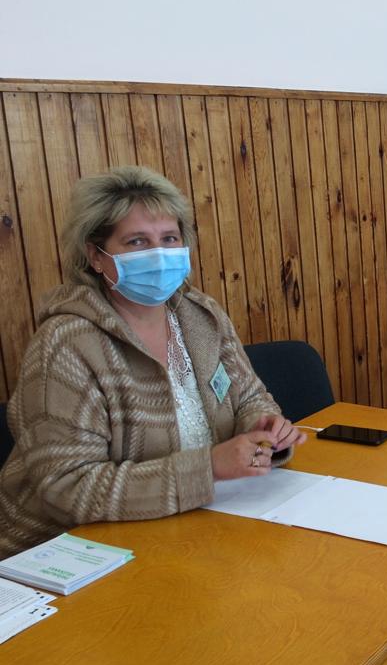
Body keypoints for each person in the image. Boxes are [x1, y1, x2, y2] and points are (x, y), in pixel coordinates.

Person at [0, 167, 306, 557]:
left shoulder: (201, 315)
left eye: (169, 239)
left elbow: (250, 397)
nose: (159, 255)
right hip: (72, 553)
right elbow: (66, 488)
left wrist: (263, 429)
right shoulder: (65, 345)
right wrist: (208, 468)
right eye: (137, 241)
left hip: (194, 526)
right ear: (95, 256)